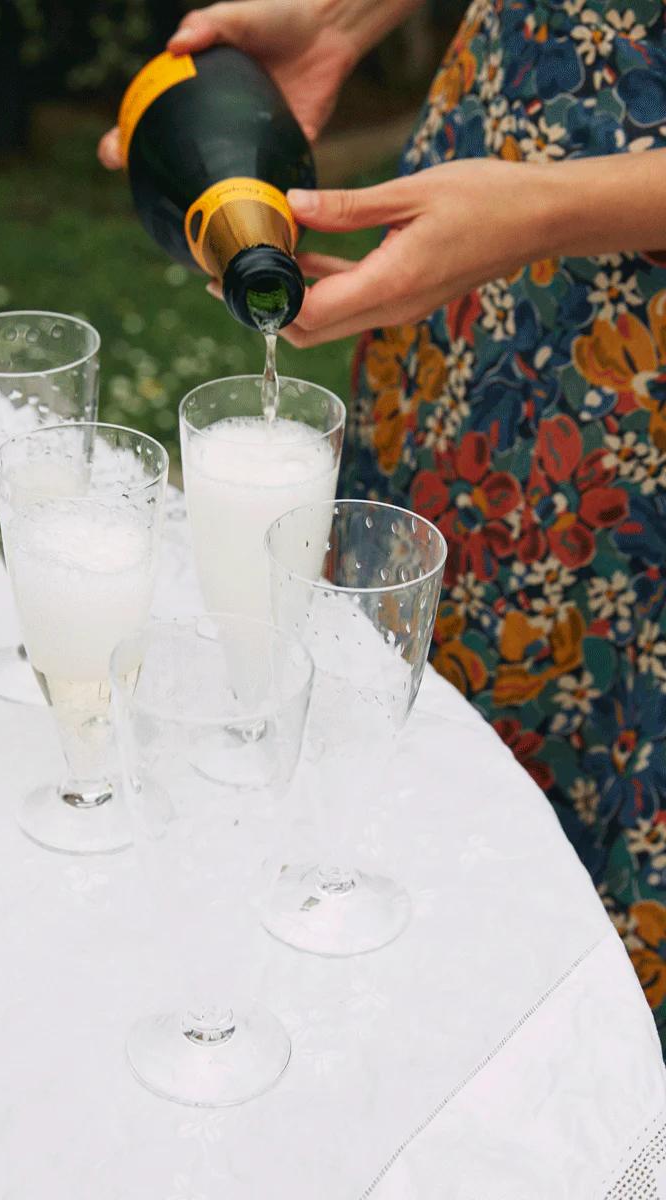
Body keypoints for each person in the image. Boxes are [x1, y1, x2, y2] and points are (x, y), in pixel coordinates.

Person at [100, 0, 666, 1048]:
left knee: (590, 800)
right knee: (398, 695)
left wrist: (543, 214)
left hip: (629, 398)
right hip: (465, 270)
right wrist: (341, 18)